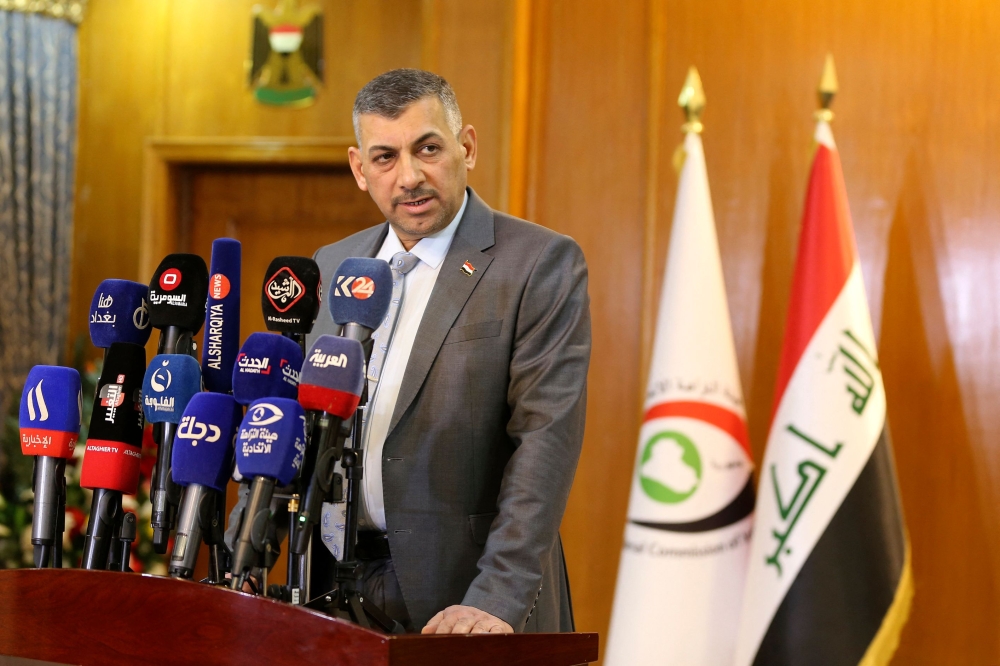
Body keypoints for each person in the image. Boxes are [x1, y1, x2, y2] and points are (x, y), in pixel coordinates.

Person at [306, 68, 591, 635]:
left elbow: (544, 444)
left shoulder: (538, 263)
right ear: (360, 170)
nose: (409, 176)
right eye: (385, 157)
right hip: (334, 591)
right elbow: (307, 424)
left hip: (470, 603)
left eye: (428, 148)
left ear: (467, 147)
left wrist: (498, 596)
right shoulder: (333, 265)